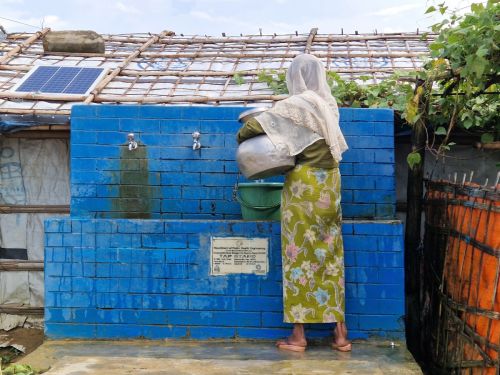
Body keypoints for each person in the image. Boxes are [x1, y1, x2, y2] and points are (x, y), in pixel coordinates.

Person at [236, 54, 350, 352]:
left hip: (304, 187)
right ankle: (340, 336)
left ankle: (299, 336)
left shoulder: (294, 105)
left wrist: (248, 128)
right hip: (331, 184)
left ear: (295, 76)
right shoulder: (329, 105)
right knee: (330, 255)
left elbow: (248, 130)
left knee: (298, 256)